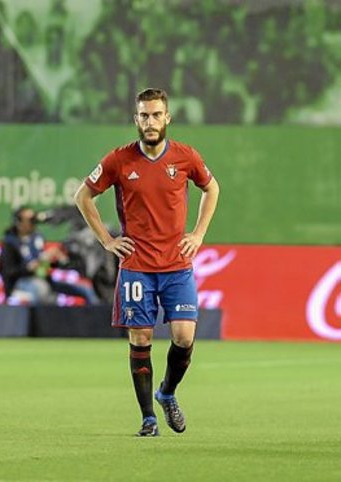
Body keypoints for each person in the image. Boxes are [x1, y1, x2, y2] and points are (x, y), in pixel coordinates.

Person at [74, 88, 220, 436]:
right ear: (135, 119)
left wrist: (198, 234)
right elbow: (83, 196)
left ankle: (166, 393)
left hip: (177, 264)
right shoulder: (119, 159)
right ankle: (148, 419)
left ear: (167, 118)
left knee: (183, 337)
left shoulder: (185, 156)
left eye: (156, 115)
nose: (150, 122)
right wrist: (107, 240)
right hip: (137, 265)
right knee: (140, 338)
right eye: (144, 115)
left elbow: (212, 188)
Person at [0, 206, 99, 305]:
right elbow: (8, 272)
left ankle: (97, 314)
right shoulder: (10, 243)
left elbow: (44, 265)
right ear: (19, 223)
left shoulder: (36, 237)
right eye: (31, 220)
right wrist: (29, 267)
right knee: (42, 290)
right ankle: (43, 316)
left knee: (87, 290)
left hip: (45, 280)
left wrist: (55, 260)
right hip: (20, 281)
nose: (34, 222)